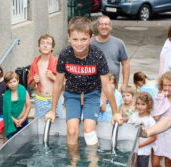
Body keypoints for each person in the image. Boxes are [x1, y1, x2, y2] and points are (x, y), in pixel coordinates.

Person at [45, 16, 123, 147]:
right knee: (71, 131)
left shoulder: (97, 55)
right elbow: (58, 84)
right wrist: (53, 110)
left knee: (89, 131)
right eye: (75, 39)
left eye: (84, 39)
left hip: (92, 94)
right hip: (72, 94)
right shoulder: (65, 54)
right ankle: (73, 163)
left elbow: (106, 86)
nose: (79, 43)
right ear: (69, 37)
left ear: (91, 38)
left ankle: (93, 164)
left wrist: (115, 112)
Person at [28, 34, 64, 119]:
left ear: (52, 47)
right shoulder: (35, 63)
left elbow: (64, 86)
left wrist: (54, 77)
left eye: (48, 43)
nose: (45, 45)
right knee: (40, 127)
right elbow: (30, 85)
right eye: (42, 43)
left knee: (58, 128)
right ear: (39, 47)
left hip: (54, 100)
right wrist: (34, 80)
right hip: (40, 100)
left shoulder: (57, 62)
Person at [92, 15, 130, 91]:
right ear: (97, 27)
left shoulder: (119, 43)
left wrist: (125, 84)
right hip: (93, 88)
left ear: (111, 27)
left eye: (106, 24)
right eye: (101, 24)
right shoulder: (90, 43)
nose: (104, 27)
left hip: (112, 87)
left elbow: (125, 64)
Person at [128, 92, 156, 167]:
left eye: (143, 104)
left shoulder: (150, 120)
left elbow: (154, 137)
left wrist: (140, 145)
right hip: (134, 151)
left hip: (144, 152)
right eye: (138, 104)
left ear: (148, 105)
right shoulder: (133, 116)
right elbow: (128, 129)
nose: (140, 106)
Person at [151, 72, 171, 167]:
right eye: (165, 85)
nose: (167, 88)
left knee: (168, 163)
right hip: (159, 132)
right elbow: (157, 117)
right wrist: (160, 99)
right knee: (154, 163)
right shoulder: (159, 96)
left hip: (170, 134)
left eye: (170, 85)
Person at [3, 72, 31, 139]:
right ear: (6, 83)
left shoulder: (24, 91)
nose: (12, 84)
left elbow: (28, 106)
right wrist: (15, 120)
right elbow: (7, 111)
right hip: (12, 122)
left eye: (14, 81)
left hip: (24, 120)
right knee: (14, 141)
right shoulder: (6, 95)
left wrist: (23, 118)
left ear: (18, 80)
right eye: (9, 82)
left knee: (25, 140)